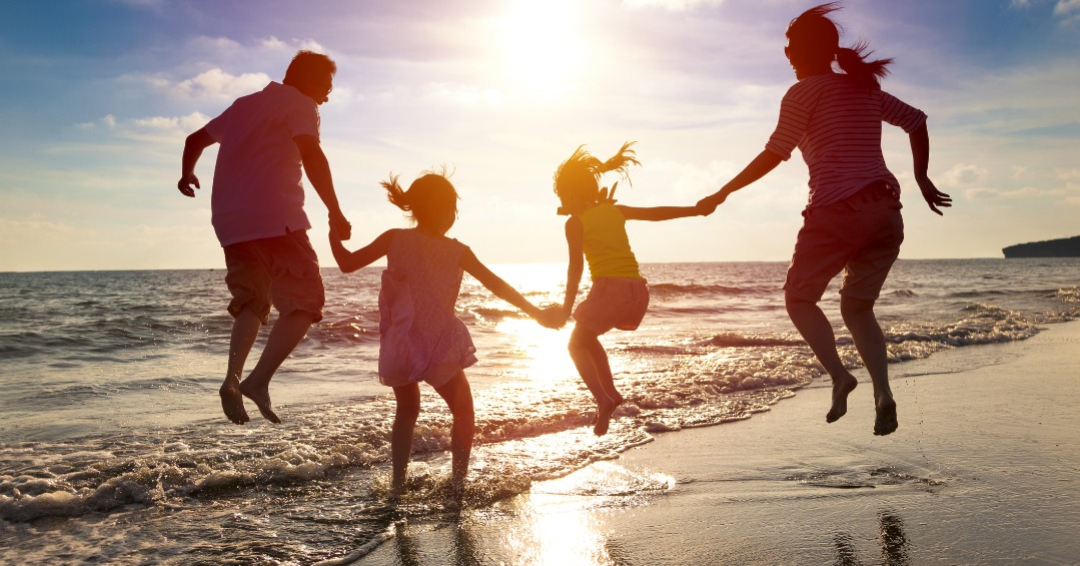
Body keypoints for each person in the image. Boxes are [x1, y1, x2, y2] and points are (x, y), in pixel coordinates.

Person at [697, 3, 952, 436]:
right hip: (887, 214)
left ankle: (839, 376)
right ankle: (883, 393)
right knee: (857, 307)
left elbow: (775, 153)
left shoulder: (803, 93)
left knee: (798, 298)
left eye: (792, 46)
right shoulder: (862, 88)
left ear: (810, 51)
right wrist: (922, 179)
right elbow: (917, 121)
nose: (786, 53)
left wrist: (723, 191)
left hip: (837, 210)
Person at [329, 171, 561, 495]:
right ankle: (458, 483)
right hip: (438, 344)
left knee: (407, 411)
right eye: (452, 207)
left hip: (401, 345)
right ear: (443, 210)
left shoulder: (394, 238)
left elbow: (346, 263)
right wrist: (535, 313)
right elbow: (497, 286)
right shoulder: (457, 250)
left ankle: (397, 485)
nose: (454, 214)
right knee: (463, 410)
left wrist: (332, 233)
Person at [177, 50, 352, 425]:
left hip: (231, 224)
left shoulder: (243, 105)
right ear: (306, 79)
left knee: (253, 302)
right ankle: (257, 381)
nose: (327, 95)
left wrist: (186, 174)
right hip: (278, 218)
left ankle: (231, 379)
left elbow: (195, 140)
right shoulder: (301, 104)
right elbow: (312, 152)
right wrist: (335, 211)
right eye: (326, 85)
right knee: (307, 303)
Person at [551, 142, 709, 436]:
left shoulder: (575, 223)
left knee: (575, 345)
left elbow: (575, 269)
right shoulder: (616, 211)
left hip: (609, 290)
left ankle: (603, 398)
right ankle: (610, 395)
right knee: (588, 337)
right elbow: (656, 213)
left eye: (562, 196)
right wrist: (695, 210)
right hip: (637, 292)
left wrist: (564, 308)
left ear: (571, 195)